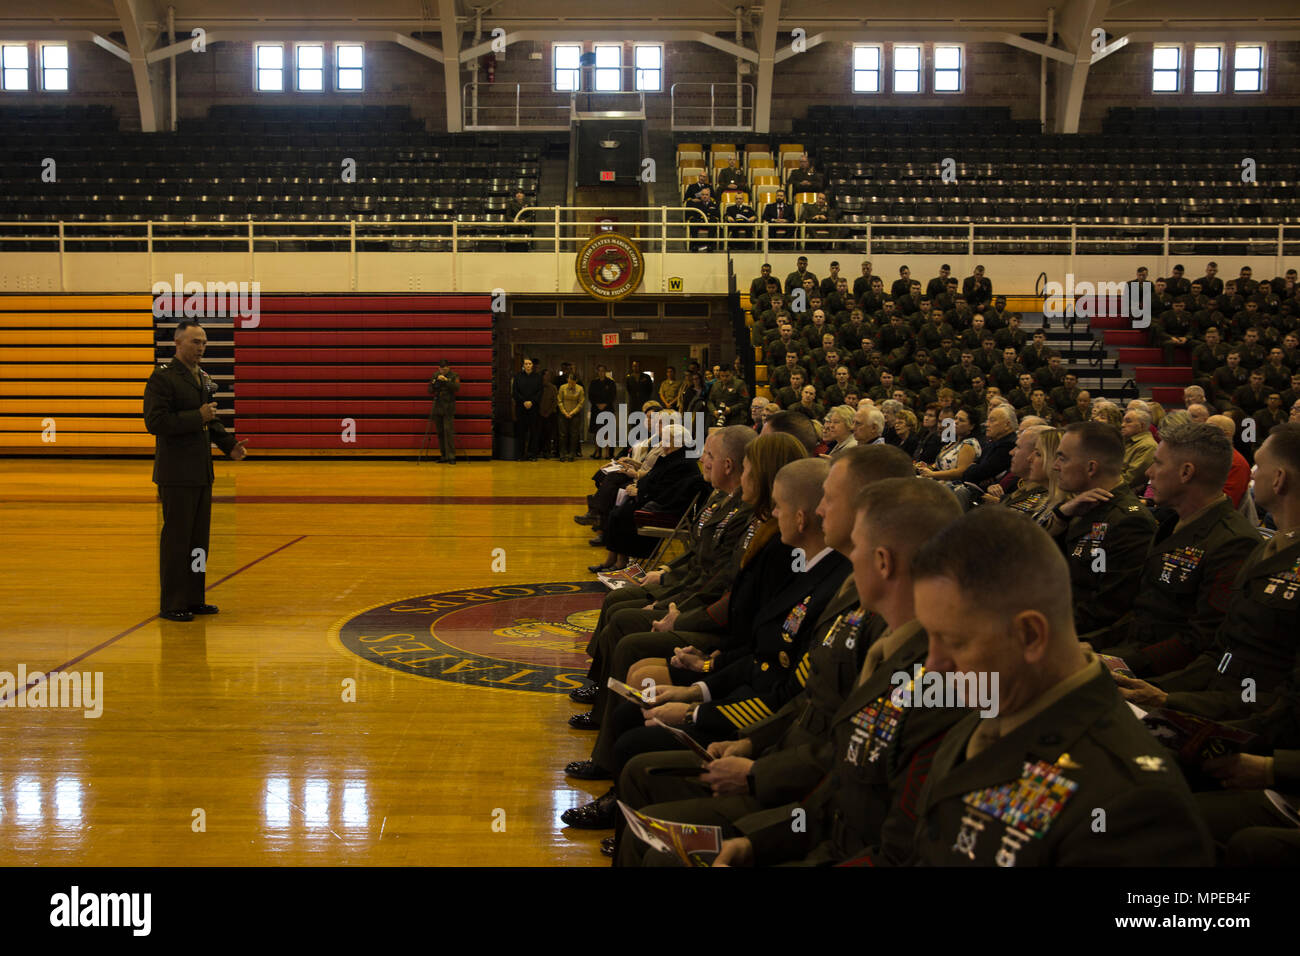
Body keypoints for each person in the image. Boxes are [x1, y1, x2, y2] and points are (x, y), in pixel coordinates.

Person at [656, 477, 965, 868]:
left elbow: (891, 839)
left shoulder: (935, 680)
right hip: (802, 798)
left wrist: (758, 778)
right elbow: (837, 766)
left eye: (860, 547)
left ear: (883, 561)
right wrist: (758, 837)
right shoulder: (888, 638)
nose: (820, 510)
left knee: (657, 832)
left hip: (810, 808)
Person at [898, 508, 1213, 866]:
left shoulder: (1132, 806)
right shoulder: (994, 704)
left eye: (953, 641)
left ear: (1030, 635)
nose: (933, 665)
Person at [1092, 423, 1261, 679]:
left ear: (1185, 472)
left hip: (1162, 679)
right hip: (1129, 653)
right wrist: (1089, 646)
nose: (1149, 472)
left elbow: (1201, 641)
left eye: (1158, 463)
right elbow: (1141, 613)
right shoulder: (1173, 523)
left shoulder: (1232, 542)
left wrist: (1120, 663)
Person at [143, 320, 249, 622]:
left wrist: (228, 445)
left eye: (203, 342)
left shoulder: (200, 377)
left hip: (201, 473)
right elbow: (156, 423)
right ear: (177, 343)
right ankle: (172, 602)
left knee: (198, 541)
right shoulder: (162, 379)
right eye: (194, 342)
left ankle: (194, 597)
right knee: (177, 540)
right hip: (176, 474)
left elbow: (209, 421)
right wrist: (196, 416)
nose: (201, 348)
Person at [1046, 421, 1157, 634]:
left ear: (1091, 468)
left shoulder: (1128, 522)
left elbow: (1107, 609)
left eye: (1063, 458)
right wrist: (1061, 515)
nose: (1055, 466)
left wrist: (1046, 627)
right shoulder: (1080, 508)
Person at [428, 359, 459, 464]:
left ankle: (451, 456)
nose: (442, 370)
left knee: (448, 432)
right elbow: (430, 390)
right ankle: (444, 455)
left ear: (448, 367)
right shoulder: (435, 375)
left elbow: (456, 387)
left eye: (444, 368)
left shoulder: (454, 375)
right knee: (440, 433)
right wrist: (436, 382)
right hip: (438, 408)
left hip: (448, 408)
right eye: (441, 368)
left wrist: (446, 381)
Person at [510, 357, 542, 461]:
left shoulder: (538, 377)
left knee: (534, 432)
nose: (528, 365)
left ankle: (533, 455)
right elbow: (515, 392)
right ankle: (520, 455)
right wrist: (524, 401)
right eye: (526, 364)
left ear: (532, 365)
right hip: (521, 407)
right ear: (523, 365)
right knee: (521, 432)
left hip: (534, 408)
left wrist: (532, 402)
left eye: (529, 364)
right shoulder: (518, 377)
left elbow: (540, 392)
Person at [1120, 407, 1156, 493]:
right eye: (1123, 421)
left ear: (1142, 426)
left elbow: (1130, 480)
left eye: (1128, 421)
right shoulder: (1127, 441)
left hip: (1124, 493)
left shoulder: (1148, 446)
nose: (1122, 425)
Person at [587, 365, 617, 460]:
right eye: (599, 371)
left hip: (608, 409)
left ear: (605, 371)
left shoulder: (611, 382)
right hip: (596, 409)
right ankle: (597, 452)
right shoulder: (593, 383)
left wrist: (605, 404)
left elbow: (613, 396)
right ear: (597, 372)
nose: (601, 373)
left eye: (603, 371)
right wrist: (597, 404)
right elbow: (590, 396)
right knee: (597, 431)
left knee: (607, 431)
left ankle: (608, 453)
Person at [556, 373, 585, 462]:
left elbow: (580, 403)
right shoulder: (562, 387)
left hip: (575, 414)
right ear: (567, 380)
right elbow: (559, 401)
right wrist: (565, 412)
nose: (571, 384)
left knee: (574, 435)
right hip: (563, 414)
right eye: (569, 382)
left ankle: (572, 454)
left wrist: (572, 413)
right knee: (562, 435)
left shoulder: (580, 389)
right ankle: (562, 454)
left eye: (573, 382)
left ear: (576, 382)